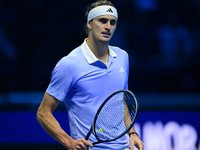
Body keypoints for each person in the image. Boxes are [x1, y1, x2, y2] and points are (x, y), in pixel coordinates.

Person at [36, 0, 144, 149]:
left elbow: (119, 100)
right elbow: (43, 113)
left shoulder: (122, 57)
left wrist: (132, 133)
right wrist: (68, 141)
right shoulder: (69, 64)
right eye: (102, 21)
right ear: (89, 23)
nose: (108, 27)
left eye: (113, 22)